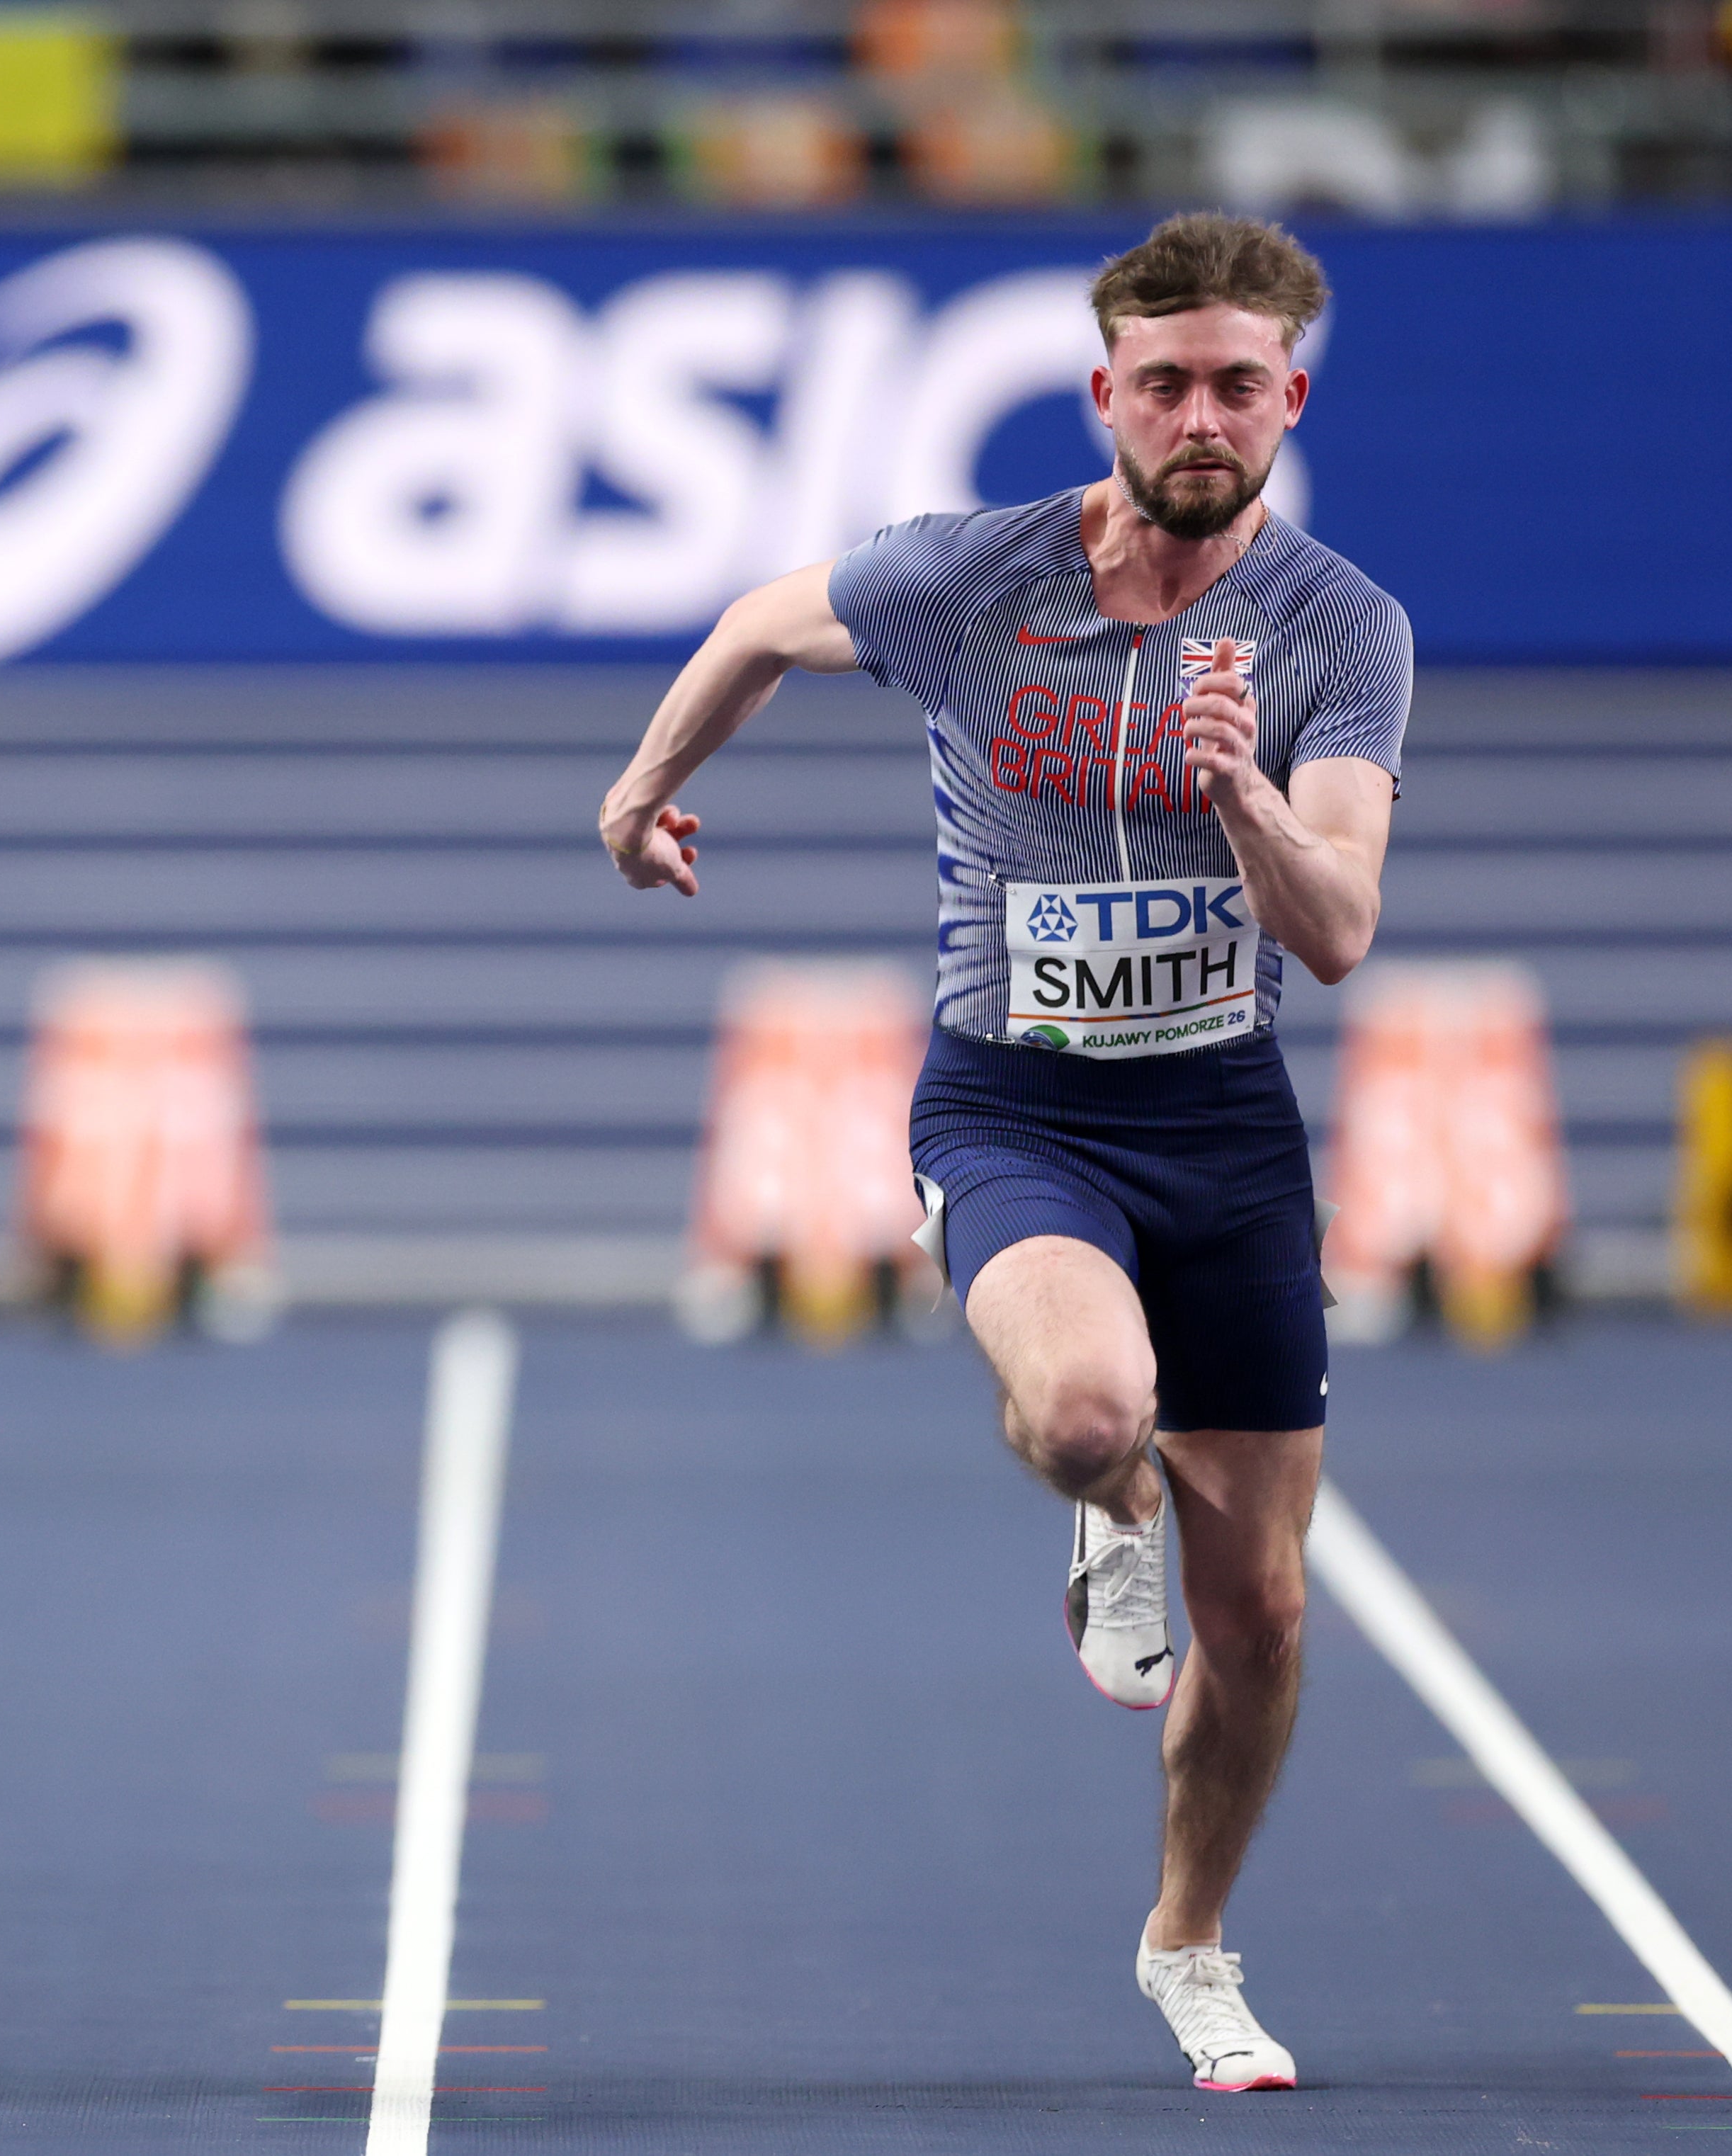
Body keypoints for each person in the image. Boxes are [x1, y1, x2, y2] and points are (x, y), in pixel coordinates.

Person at [598, 212, 1407, 2091]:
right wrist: (642, 792)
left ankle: (1186, 1945)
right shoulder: (970, 580)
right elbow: (751, 623)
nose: (1196, 415)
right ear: (1100, 393)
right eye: (1160, 382)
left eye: (1234, 384)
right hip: (1018, 1104)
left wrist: (1235, 795)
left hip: (1221, 1125)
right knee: (1079, 1412)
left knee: (1265, 1609)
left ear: (1284, 397)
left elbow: (1340, 925)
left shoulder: (1338, 630)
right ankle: (1108, 1500)